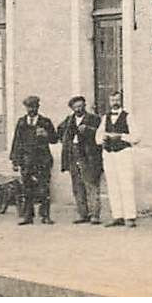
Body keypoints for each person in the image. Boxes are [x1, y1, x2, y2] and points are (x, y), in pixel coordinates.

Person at [9, 94, 57, 225]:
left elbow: (54, 139)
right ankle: (28, 216)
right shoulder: (21, 122)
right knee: (27, 188)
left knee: (44, 188)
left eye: (34, 107)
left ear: (38, 107)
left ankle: (45, 215)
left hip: (43, 160)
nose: (31, 110)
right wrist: (15, 161)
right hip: (27, 160)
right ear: (26, 108)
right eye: (28, 107)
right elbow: (16, 142)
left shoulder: (45, 122)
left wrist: (46, 134)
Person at [57, 95, 104, 225]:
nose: (79, 109)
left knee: (91, 184)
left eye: (81, 106)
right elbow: (59, 130)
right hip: (73, 154)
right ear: (72, 108)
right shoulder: (69, 120)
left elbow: (101, 134)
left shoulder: (94, 119)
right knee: (77, 186)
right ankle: (82, 214)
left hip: (88, 156)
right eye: (76, 107)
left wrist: (89, 130)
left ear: (85, 106)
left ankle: (95, 215)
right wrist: (66, 142)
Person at [98, 91, 139, 227]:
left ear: (121, 100)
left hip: (123, 153)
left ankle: (130, 216)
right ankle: (117, 216)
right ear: (109, 102)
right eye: (112, 100)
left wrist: (120, 136)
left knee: (126, 183)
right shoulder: (106, 117)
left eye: (117, 100)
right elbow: (98, 136)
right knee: (112, 185)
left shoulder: (128, 116)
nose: (114, 102)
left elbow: (137, 137)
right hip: (109, 153)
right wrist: (102, 138)